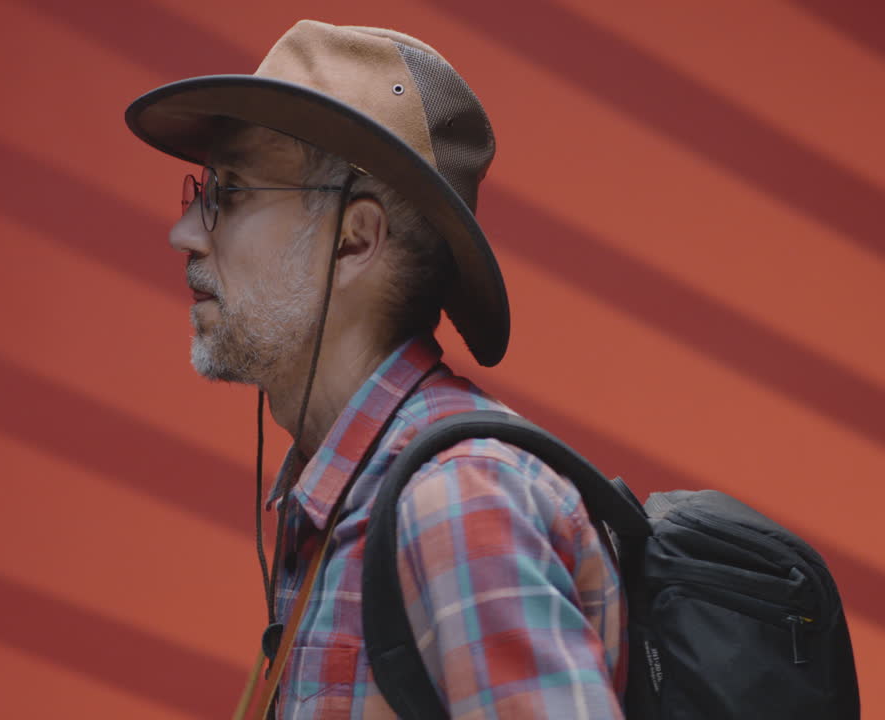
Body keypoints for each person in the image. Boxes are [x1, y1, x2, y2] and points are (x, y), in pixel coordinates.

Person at [125, 20, 625, 719]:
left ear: (355, 240)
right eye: (202, 190)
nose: (185, 231)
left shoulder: (455, 501)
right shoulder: (348, 494)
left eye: (231, 192)